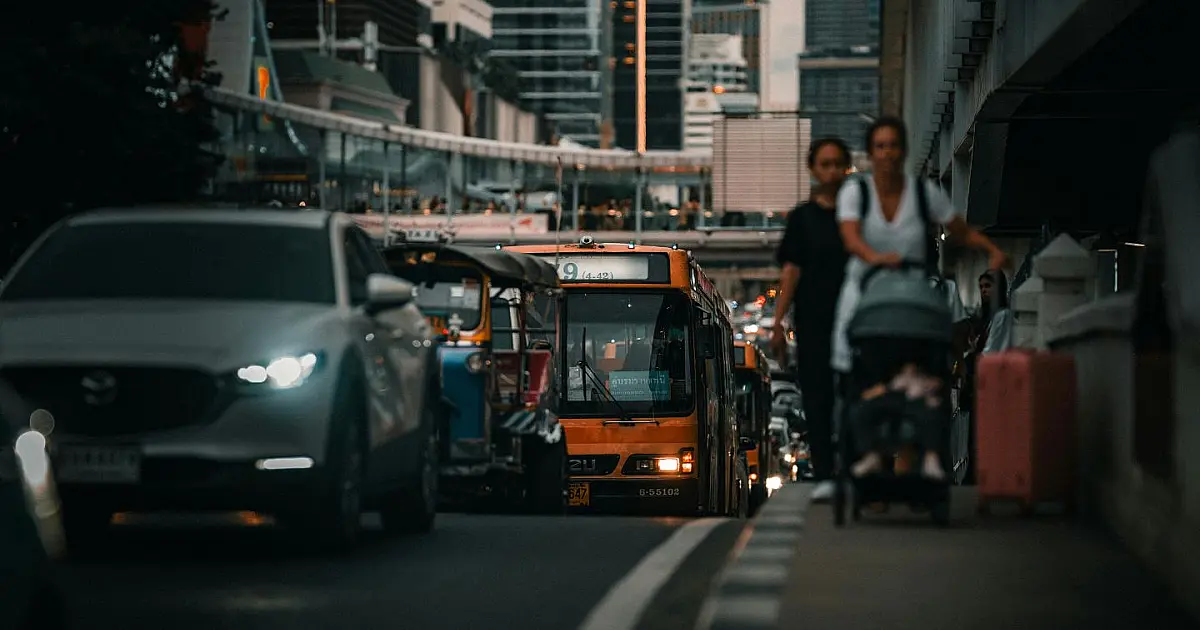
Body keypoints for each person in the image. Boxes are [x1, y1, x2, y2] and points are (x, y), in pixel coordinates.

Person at [832, 117, 1009, 481]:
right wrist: (875, 257)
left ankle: (914, 460)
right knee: (858, 370)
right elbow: (850, 237)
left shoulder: (923, 193)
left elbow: (956, 227)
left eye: (893, 145)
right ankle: (870, 457)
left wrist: (989, 247)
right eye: (879, 146)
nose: (887, 154)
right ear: (871, 152)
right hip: (867, 290)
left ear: (903, 150)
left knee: (923, 373)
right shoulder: (856, 193)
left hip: (913, 291)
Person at [770, 137, 852, 502]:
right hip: (813, 322)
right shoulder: (802, 218)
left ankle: (852, 467)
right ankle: (825, 474)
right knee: (817, 398)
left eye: (838, 164)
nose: (832, 170)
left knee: (852, 395)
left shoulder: (859, 214)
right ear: (813, 169)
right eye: (825, 164)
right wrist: (777, 322)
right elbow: (791, 271)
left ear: (847, 167)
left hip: (854, 320)